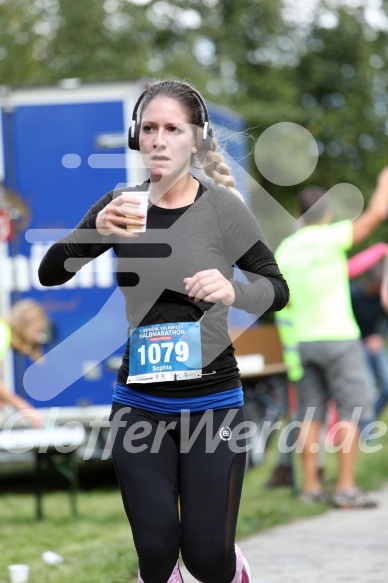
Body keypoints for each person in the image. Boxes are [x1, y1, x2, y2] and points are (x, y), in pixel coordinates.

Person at [38, 80, 289, 583]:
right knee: (155, 554)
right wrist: (94, 233)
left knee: (205, 559)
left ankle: (231, 566)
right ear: (135, 137)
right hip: (139, 404)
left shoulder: (222, 209)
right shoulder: (121, 205)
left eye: (172, 129)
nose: (159, 139)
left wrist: (233, 290)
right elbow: (51, 273)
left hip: (212, 403)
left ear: (195, 139)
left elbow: (276, 289)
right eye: (149, 128)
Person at [275, 170, 388, 509]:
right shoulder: (330, 237)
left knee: (310, 415)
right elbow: (377, 215)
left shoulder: (285, 249)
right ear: (325, 214)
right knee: (352, 413)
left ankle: (311, 488)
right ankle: (345, 488)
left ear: (299, 214)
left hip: (305, 343)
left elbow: (286, 299)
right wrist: (382, 181)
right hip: (339, 337)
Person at [0, 298, 49, 427]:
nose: (37, 338)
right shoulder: (3, 332)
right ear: (27, 323)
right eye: (37, 331)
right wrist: (23, 407)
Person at [351, 259, 388, 418]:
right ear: (371, 283)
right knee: (367, 390)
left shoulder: (383, 298)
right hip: (355, 346)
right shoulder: (352, 294)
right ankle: (366, 431)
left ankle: (369, 419)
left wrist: (379, 336)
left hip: (374, 345)